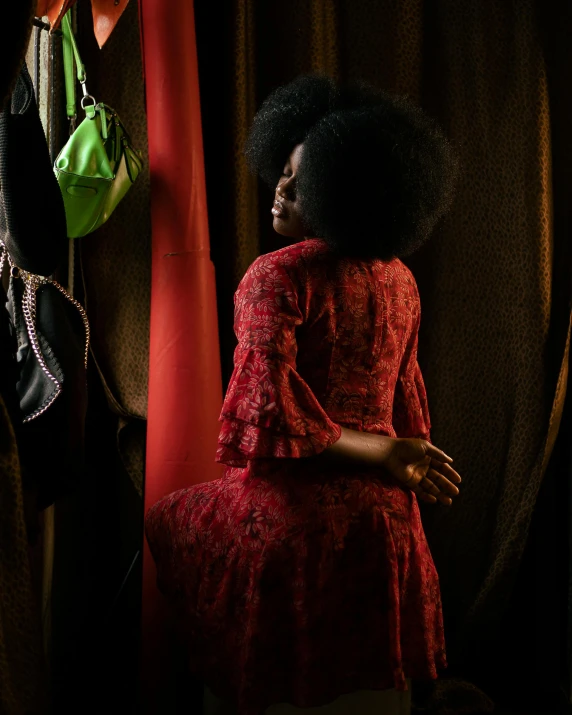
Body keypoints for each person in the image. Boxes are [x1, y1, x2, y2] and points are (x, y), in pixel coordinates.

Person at [145, 75, 461, 715]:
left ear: (345, 193)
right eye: (283, 169)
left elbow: (270, 413)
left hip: (292, 512)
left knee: (166, 517)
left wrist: (382, 454)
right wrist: (396, 458)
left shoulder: (276, 275)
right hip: (389, 522)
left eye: (301, 178)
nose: (281, 188)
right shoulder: (401, 279)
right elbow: (406, 406)